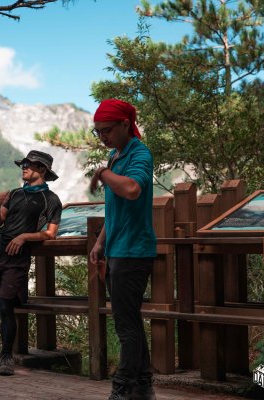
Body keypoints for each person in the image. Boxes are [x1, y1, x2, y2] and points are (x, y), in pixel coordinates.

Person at [0, 150, 63, 378]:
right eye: (23, 163)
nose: (24, 167)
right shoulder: (15, 194)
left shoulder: (51, 200)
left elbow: (50, 233)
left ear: (42, 170)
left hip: (17, 257)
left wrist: (24, 237)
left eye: (29, 164)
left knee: (4, 304)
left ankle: (6, 356)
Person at [88, 99, 157, 400]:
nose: (102, 137)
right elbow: (115, 208)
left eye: (106, 130)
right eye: (97, 132)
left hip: (134, 251)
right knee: (130, 322)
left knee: (125, 325)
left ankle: (122, 389)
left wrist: (103, 174)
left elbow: (131, 190)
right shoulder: (116, 157)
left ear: (125, 125)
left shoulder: (139, 153)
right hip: (117, 249)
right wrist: (101, 242)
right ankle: (142, 388)